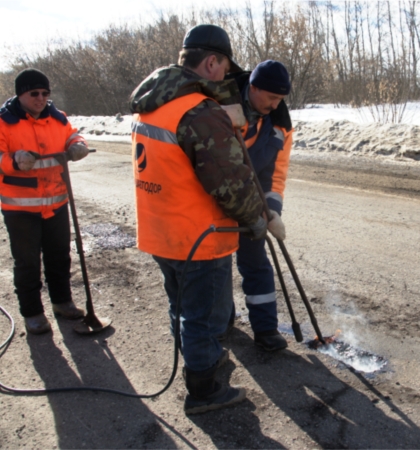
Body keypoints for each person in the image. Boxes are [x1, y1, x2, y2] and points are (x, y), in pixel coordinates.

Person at [129, 24, 267, 415]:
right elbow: (229, 181)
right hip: (198, 237)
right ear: (211, 61)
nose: (225, 75)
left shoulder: (155, 103)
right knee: (205, 315)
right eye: (223, 66)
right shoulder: (197, 111)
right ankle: (204, 388)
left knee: (183, 306)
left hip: (161, 232)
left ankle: (199, 360)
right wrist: (255, 218)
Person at [0, 69, 90, 335]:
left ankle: (62, 303)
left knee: (59, 256)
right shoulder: (4, 122)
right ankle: (33, 314)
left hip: (57, 203)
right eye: (34, 93)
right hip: (20, 208)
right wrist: (13, 161)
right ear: (21, 94)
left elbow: (74, 135)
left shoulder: (57, 118)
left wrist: (78, 145)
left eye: (45, 93)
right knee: (27, 262)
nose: (41, 98)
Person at [226, 60, 293, 352]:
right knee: (214, 268)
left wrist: (272, 210)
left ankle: (266, 329)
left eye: (280, 99)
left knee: (256, 264)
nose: (276, 104)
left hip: (250, 203)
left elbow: (275, 174)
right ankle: (220, 323)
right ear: (252, 87)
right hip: (211, 200)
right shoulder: (221, 104)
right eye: (271, 97)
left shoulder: (280, 125)